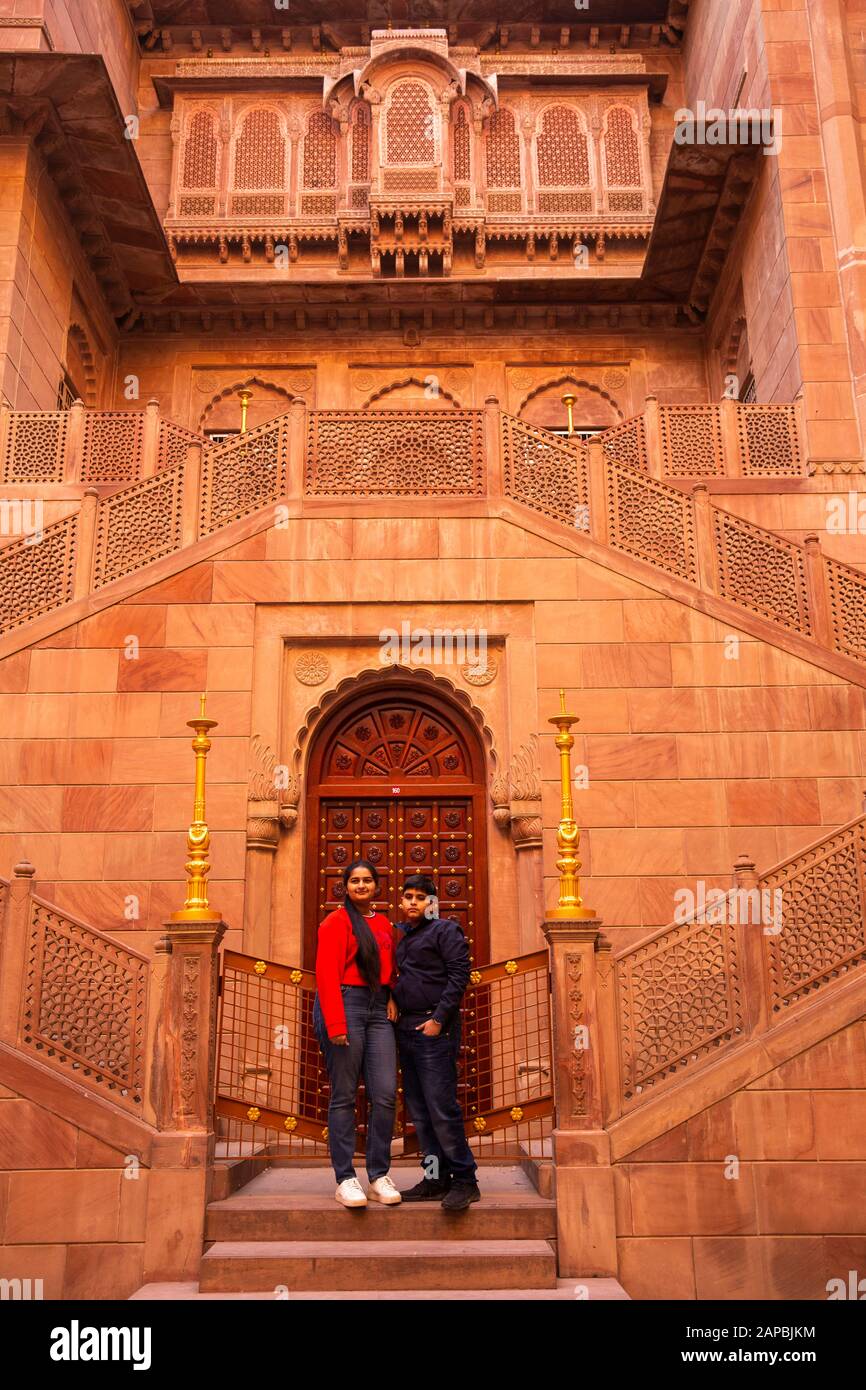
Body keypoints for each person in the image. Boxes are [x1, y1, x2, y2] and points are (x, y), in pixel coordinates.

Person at [313, 858, 402, 1209]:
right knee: (345, 1095)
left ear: (377, 886)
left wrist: (391, 996)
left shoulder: (382, 923)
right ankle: (345, 1178)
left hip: (379, 1010)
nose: (361, 886)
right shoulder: (335, 922)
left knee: (384, 1094)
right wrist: (335, 1023)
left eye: (367, 881)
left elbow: (389, 967)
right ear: (345, 887)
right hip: (347, 1005)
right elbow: (326, 974)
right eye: (355, 881)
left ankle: (379, 1175)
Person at [393, 873, 480, 1210]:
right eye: (408, 897)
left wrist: (439, 1019)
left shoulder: (445, 930)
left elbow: (459, 976)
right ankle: (434, 1178)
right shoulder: (406, 937)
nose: (413, 902)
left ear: (432, 903)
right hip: (407, 1030)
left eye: (420, 897)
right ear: (401, 902)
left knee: (442, 1109)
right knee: (421, 1113)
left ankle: (465, 1180)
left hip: (434, 1029)